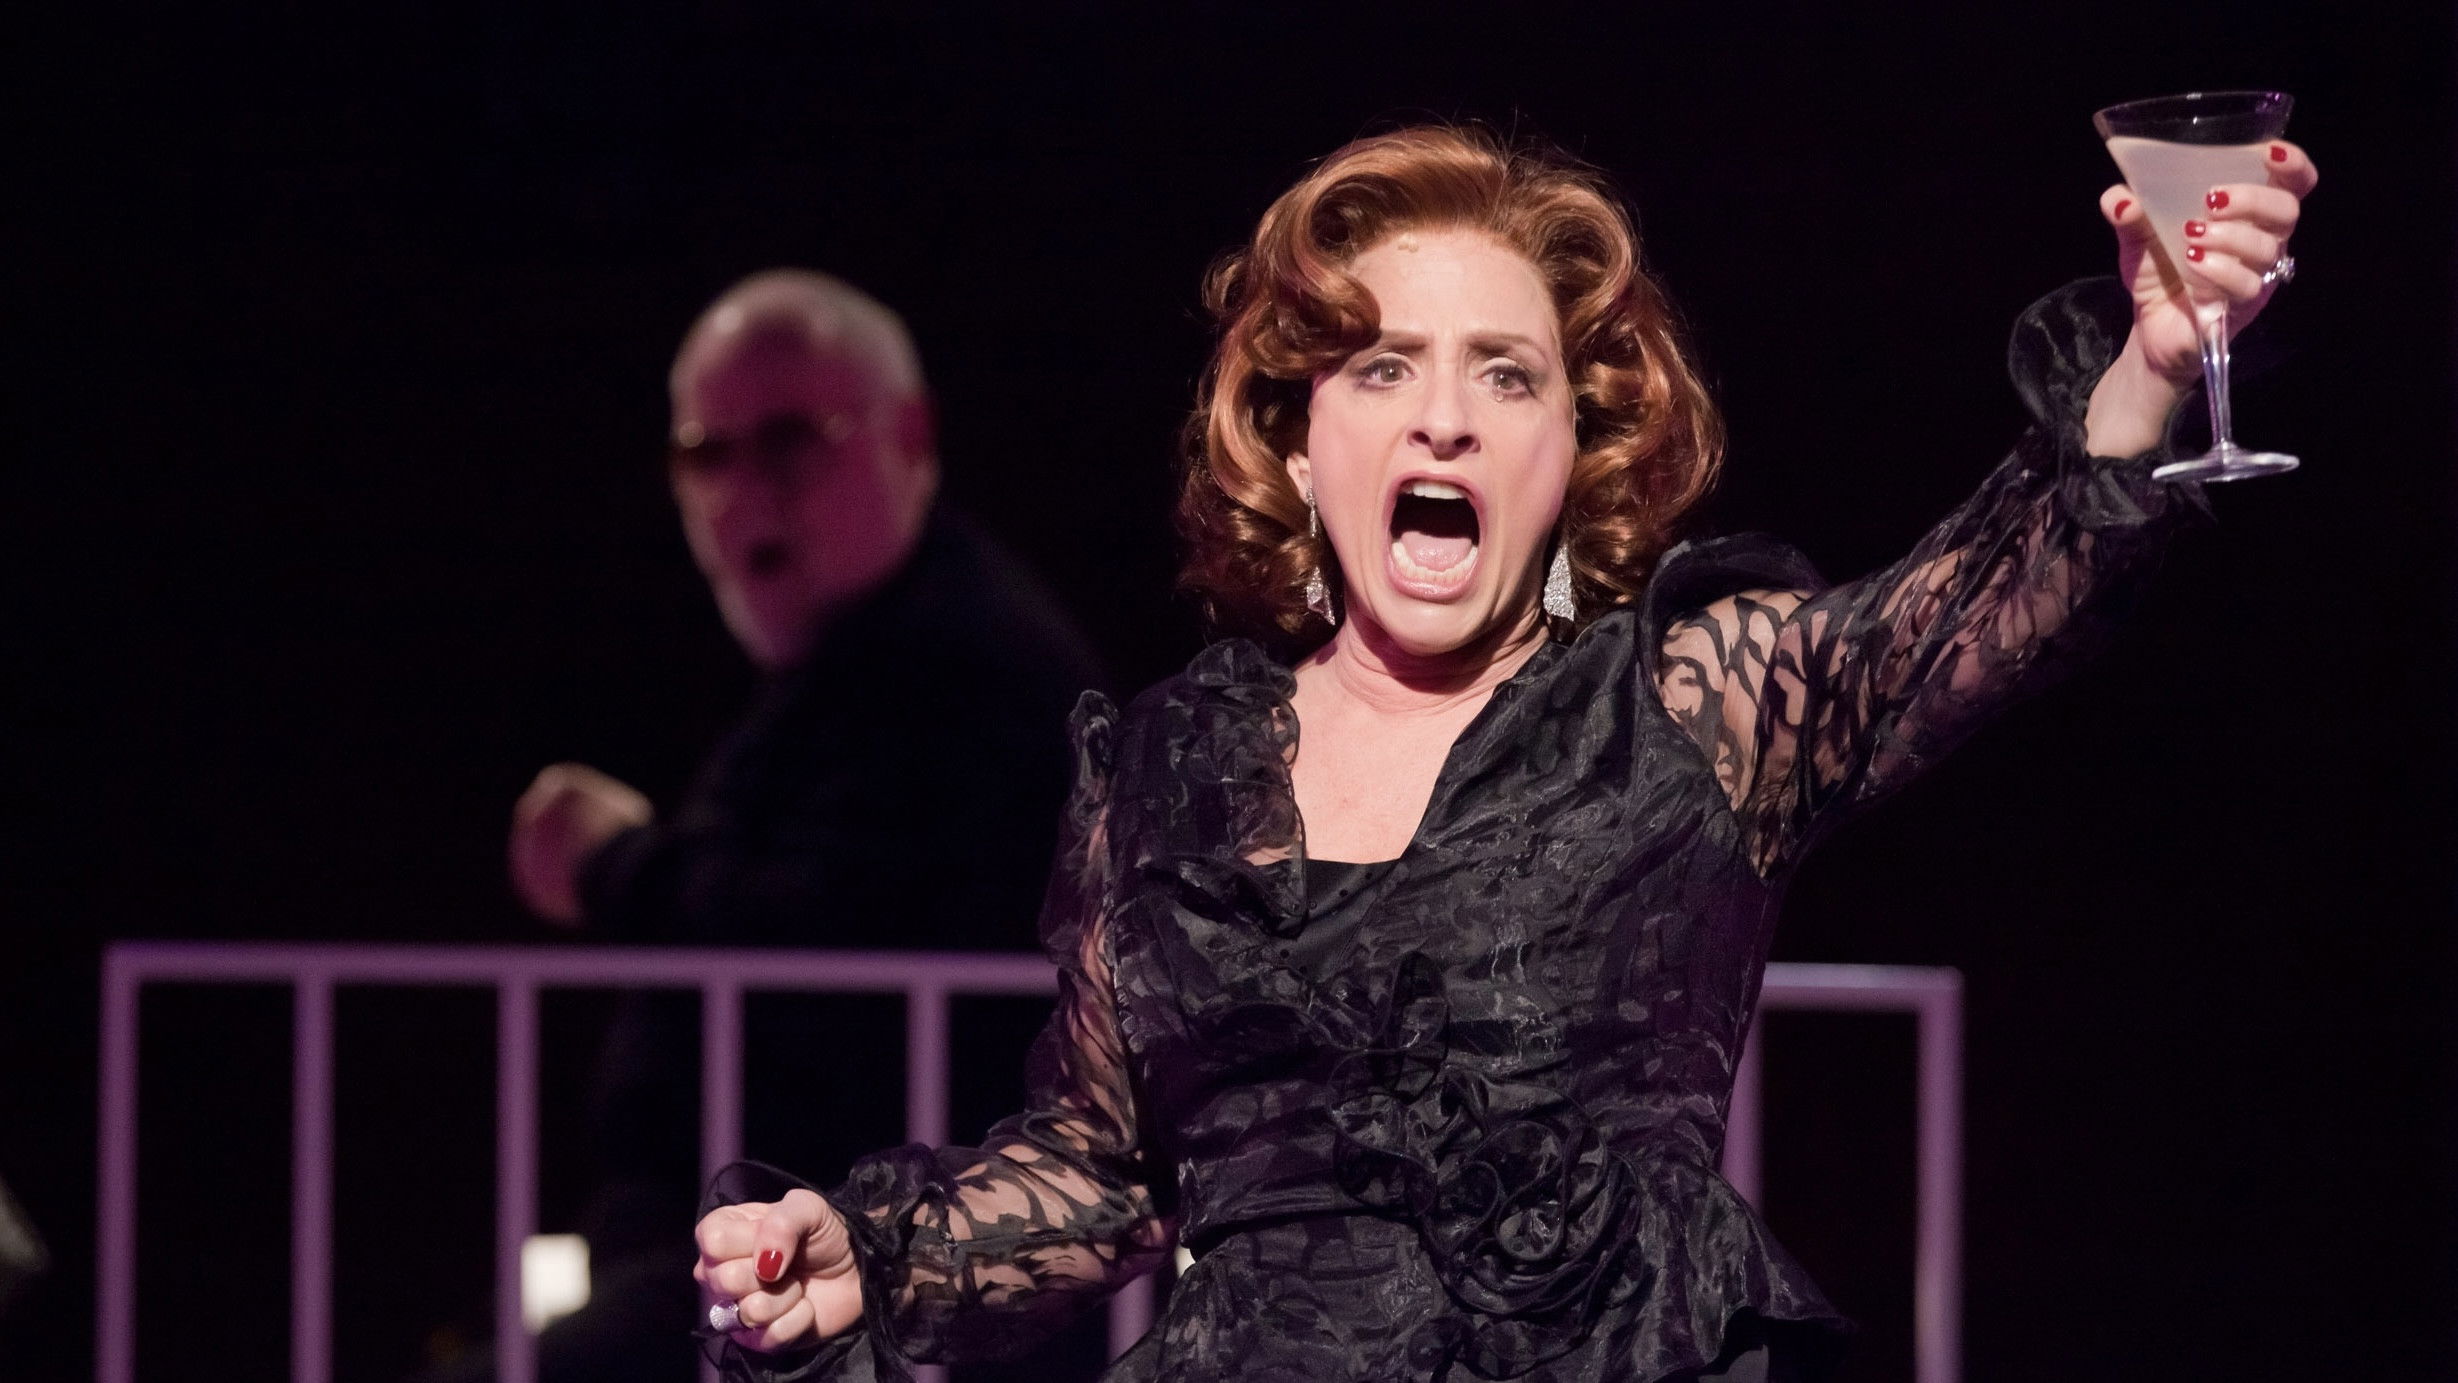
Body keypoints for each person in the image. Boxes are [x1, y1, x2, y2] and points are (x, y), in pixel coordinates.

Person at [688, 127, 2315, 1382]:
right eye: (1382, 365)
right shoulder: (1170, 767)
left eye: (1505, 373)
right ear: (1299, 440)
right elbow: (1104, 1166)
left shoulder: (1691, 705)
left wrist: (2151, 366)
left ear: (1569, 449)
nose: (1444, 417)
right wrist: (865, 1256)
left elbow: (1982, 598)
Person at [487, 270, 1106, 1383]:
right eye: (705, 455)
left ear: (908, 436)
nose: (742, 494)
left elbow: (816, 939)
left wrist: (610, 865)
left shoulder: (959, 667)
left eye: (789, 442)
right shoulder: (861, 658)